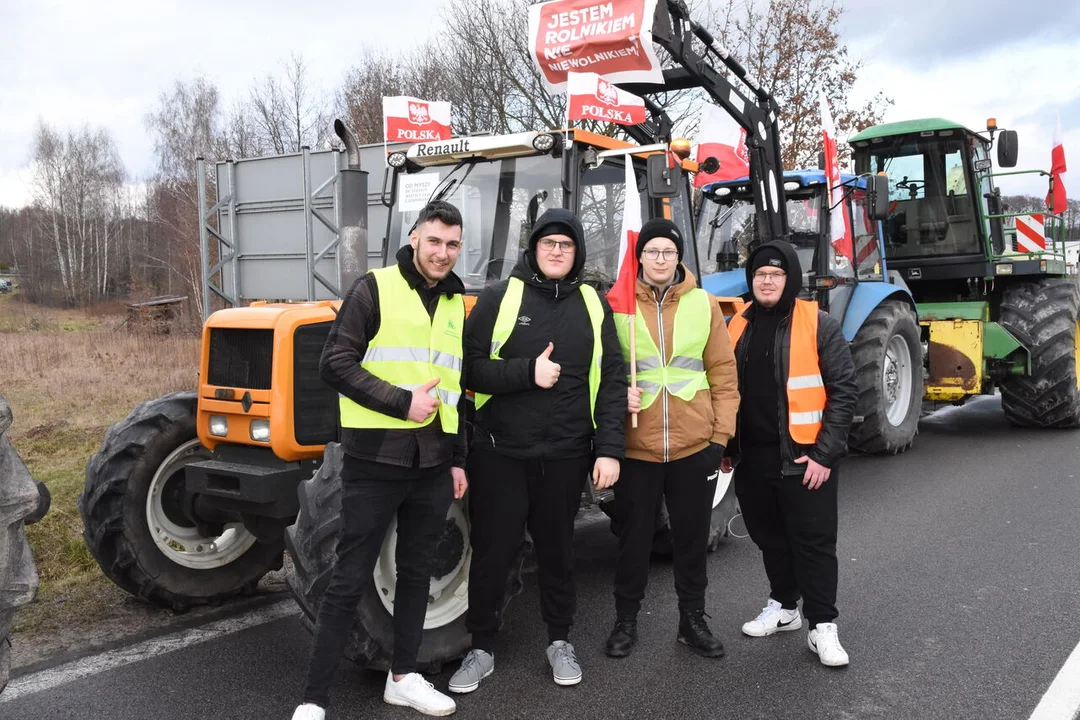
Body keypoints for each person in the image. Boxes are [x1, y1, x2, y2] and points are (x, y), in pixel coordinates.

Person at [292, 201, 469, 720]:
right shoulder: (375, 288)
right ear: (415, 237)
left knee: (416, 574)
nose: (442, 253)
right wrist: (401, 401)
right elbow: (334, 363)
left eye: (452, 244)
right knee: (348, 579)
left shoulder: (456, 304)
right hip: (375, 460)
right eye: (434, 241)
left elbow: (458, 388)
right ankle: (313, 700)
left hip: (434, 463)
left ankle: (404, 677)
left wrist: (458, 458)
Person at [448, 208, 626, 693]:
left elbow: (612, 379)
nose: (555, 251)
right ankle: (481, 648)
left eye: (565, 245)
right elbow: (470, 370)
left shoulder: (593, 304)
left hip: (567, 454)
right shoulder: (499, 298)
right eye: (548, 243)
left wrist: (609, 449)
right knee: (493, 553)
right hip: (500, 452)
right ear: (533, 249)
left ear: (576, 253)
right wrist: (527, 373)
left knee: (558, 552)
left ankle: (560, 641)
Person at [605, 218, 740, 659]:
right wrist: (613, 394)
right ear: (639, 256)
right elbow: (599, 373)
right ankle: (625, 621)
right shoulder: (619, 305)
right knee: (633, 542)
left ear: (678, 257)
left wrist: (720, 437)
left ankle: (692, 621)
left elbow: (723, 373)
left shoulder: (703, 304)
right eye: (652, 251)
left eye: (668, 251)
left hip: (693, 446)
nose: (660, 259)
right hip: (636, 448)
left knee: (691, 540)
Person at [722, 241, 857, 668]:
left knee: (814, 543)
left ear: (790, 280)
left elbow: (844, 391)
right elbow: (727, 391)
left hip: (805, 459)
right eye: (760, 273)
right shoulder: (737, 325)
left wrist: (825, 454)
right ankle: (784, 607)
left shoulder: (817, 324)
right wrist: (727, 446)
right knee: (769, 540)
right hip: (753, 459)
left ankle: (823, 626)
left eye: (776, 274)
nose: (766, 280)